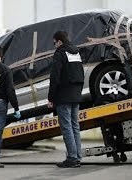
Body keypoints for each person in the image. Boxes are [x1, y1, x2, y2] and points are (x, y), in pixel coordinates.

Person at [48, 31, 85, 168]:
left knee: (67, 127)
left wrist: (51, 98)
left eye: (54, 43)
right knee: (75, 126)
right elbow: (81, 74)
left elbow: (55, 77)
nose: (54, 46)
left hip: (63, 96)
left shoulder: (60, 54)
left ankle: (72, 158)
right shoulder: (76, 53)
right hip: (76, 95)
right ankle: (77, 157)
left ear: (59, 41)